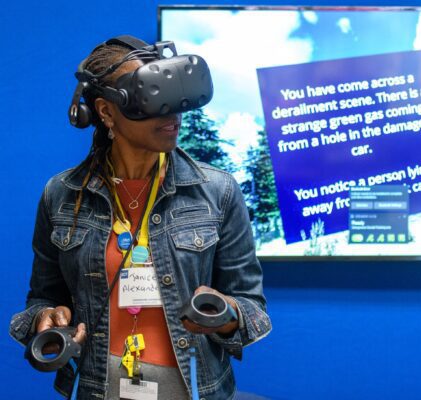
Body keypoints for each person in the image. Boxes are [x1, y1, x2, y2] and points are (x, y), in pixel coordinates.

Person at [9, 35, 271, 400]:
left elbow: (253, 309)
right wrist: (45, 319)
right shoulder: (62, 195)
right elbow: (41, 298)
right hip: (99, 388)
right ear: (105, 111)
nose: (172, 115)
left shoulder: (217, 190)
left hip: (194, 390)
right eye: (152, 99)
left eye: (175, 98)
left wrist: (226, 314)